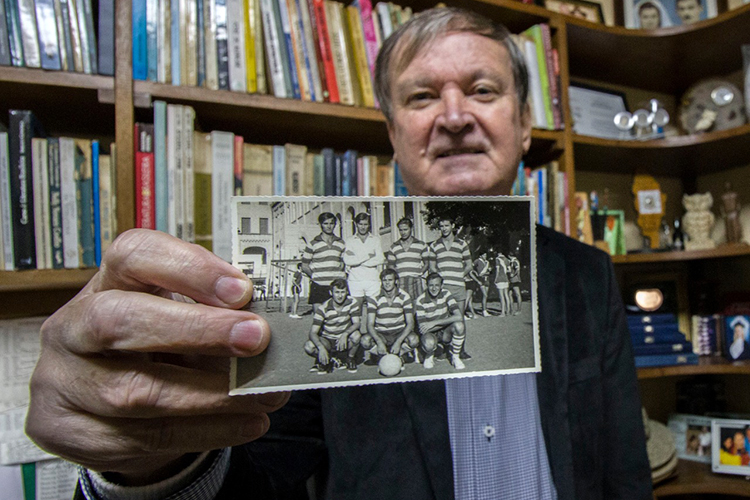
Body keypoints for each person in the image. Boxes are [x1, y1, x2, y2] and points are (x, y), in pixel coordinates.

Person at [26, 7, 652, 500]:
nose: (454, 116)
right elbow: (261, 471)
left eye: (482, 90)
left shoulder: (587, 274)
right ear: (393, 135)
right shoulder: (328, 287)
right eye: (421, 97)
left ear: (524, 125)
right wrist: (156, 462)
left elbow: (623, 467)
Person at [303, 278, 361, 373]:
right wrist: (321, 347)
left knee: (356, 335)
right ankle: (327, 359)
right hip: (328, 340)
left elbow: (357, 323)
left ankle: (349, 359)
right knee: (309, 346)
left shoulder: (352, 302)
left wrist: (345, 334)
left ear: (347, 292)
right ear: (331, 292)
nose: (340, 296)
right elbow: (313, 332)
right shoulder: (323, 308)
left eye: (342, 292)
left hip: (343, 339)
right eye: (337, 292)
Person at [360, 268, 419, 362]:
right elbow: (370, 324)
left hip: (398, 331)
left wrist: (398, 342)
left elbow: (410, 323)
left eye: (390, 280)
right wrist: (379, 342)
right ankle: (383, 355)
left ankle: (399, 353)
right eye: (384, 280)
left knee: (414, 340)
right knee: (365, 341)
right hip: (381, 333)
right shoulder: (374, 297)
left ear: (396, 281)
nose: (387, 283)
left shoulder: (404, 296)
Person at [415, 273, 466, 370]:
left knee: (459, 325)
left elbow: (459, 316)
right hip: (430, 333)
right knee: (429, 343)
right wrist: (447, 322)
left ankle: (455, 356)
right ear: (426, 285)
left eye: (437, 285)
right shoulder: (420, 300)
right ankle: (429, 354)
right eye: (431, 285)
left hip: (444, 331)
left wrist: (434, 323)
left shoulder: (446, 293)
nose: (434, 288)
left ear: (442, 285)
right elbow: (423, 329)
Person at [428, 216, 473, 320]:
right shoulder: (434, 245)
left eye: (446, 225)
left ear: (452, 226)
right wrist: (440, 280)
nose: (444, 229)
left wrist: (459, 276)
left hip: (458, 286)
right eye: (441, 226)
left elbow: (469, 265)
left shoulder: (462, 244)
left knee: (459, 319)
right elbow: (432, 267)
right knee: (443, 319)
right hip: (443, 287)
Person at [300, 212, 346, 305]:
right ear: (320, 224)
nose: (329, 226)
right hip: (319, 285)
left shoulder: (341, 243)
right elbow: (304, 265)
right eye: (326, 223)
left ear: (335, 224)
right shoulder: (313, 244)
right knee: (318, 313)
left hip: (336, 286)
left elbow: (343, 263)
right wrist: (314, 276)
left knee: (337, 313)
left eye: (331, 223)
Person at [386, 216, 430, 301]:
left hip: (416, 280)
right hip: (401, 281)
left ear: (411, 229)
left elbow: (427, 263)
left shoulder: (421, 244)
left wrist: (419, 273)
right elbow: (391, 266)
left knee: (418, 303)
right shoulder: (394, 246)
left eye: (405, 229)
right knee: (401, 303)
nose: (403, 232)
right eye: (401, 230)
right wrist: (397, 277)